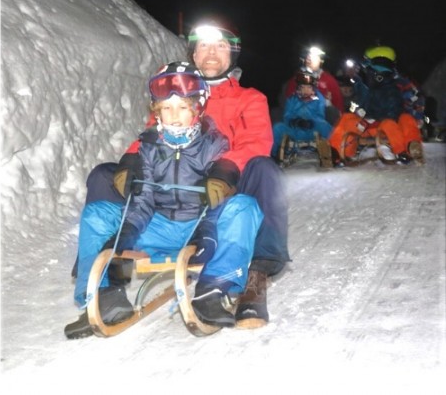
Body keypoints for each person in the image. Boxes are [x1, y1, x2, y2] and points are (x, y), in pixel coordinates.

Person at [64, 61, 264, 338]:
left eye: (182, 107)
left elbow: (216, 203)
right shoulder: (148, 146)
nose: (174, 116)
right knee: (98, 214)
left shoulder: (215, 145)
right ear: (156, 111)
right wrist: (125, 234)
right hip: (156, 227)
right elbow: (143, 201)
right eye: (167, 108)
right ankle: (102, 296)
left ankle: (215, 289)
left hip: (199, 229)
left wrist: (205, 233)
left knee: (244, 207)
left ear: (197, 108)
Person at [186, 20, 289, 327]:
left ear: (231, 56)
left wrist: (225, 167)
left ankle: (255, 277)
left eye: (220, 46)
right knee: (108, 174)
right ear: (193, 55)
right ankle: (108, 280)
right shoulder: (177, 97)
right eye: (204, 45)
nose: (212, 53)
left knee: (265, 169)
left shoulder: (250, 98)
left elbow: (257, 142)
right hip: (186, 182)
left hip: (234, 180)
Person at [328, 46, 424, 165]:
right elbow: (365, 106)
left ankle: (406, 150)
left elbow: (392, 114)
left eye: (369, 72)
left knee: (400, 121)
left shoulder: (393, 90)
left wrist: (369, 120)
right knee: (347, 118)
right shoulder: (371, 89)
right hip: (369, 126)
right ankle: (335, 152)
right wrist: (360, 113)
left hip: (384, 126)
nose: (367, 74)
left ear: (378, 73)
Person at [273, 69, 334, 167]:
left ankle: (333, 154)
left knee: (326, 126)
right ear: (298, 88)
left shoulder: (319, 99)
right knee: (277, 127)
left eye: (308, 87)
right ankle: (273, 155)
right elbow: (287, 116)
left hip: (312, 130)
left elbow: (320, 115)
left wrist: (311, 122)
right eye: (303, 87)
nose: (305, 90)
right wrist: (295, 121)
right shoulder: (292, 99)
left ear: (313, 88)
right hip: (295, 130)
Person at [283, 45, 344, 115]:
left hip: (321, 120)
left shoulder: (329, 80)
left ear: (321, 61)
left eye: (314, 56)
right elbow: (287, 102)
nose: (309, 58)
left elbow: (339, 106)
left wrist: (328, 104)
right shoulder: (296, 79)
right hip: (298, 118)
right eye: (308, 56)